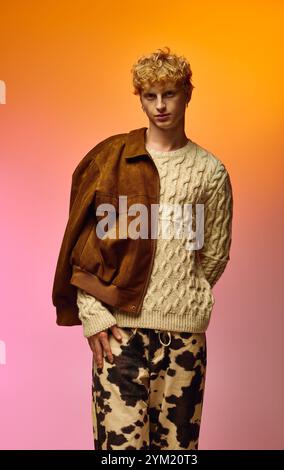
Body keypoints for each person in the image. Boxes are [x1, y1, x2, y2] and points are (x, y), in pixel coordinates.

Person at [52, 46, 234, 450]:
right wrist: (94, 313)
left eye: (169, 93)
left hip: (184, 335)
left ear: (188, 93)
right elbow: (86, 248)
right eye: (149, 96)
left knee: (176, 453)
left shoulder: (210, 171)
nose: (160, 105)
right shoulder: (114, 160)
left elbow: (214, 253)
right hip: (121, 333)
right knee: (120, 455)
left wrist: (182, 295)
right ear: (139, 97)